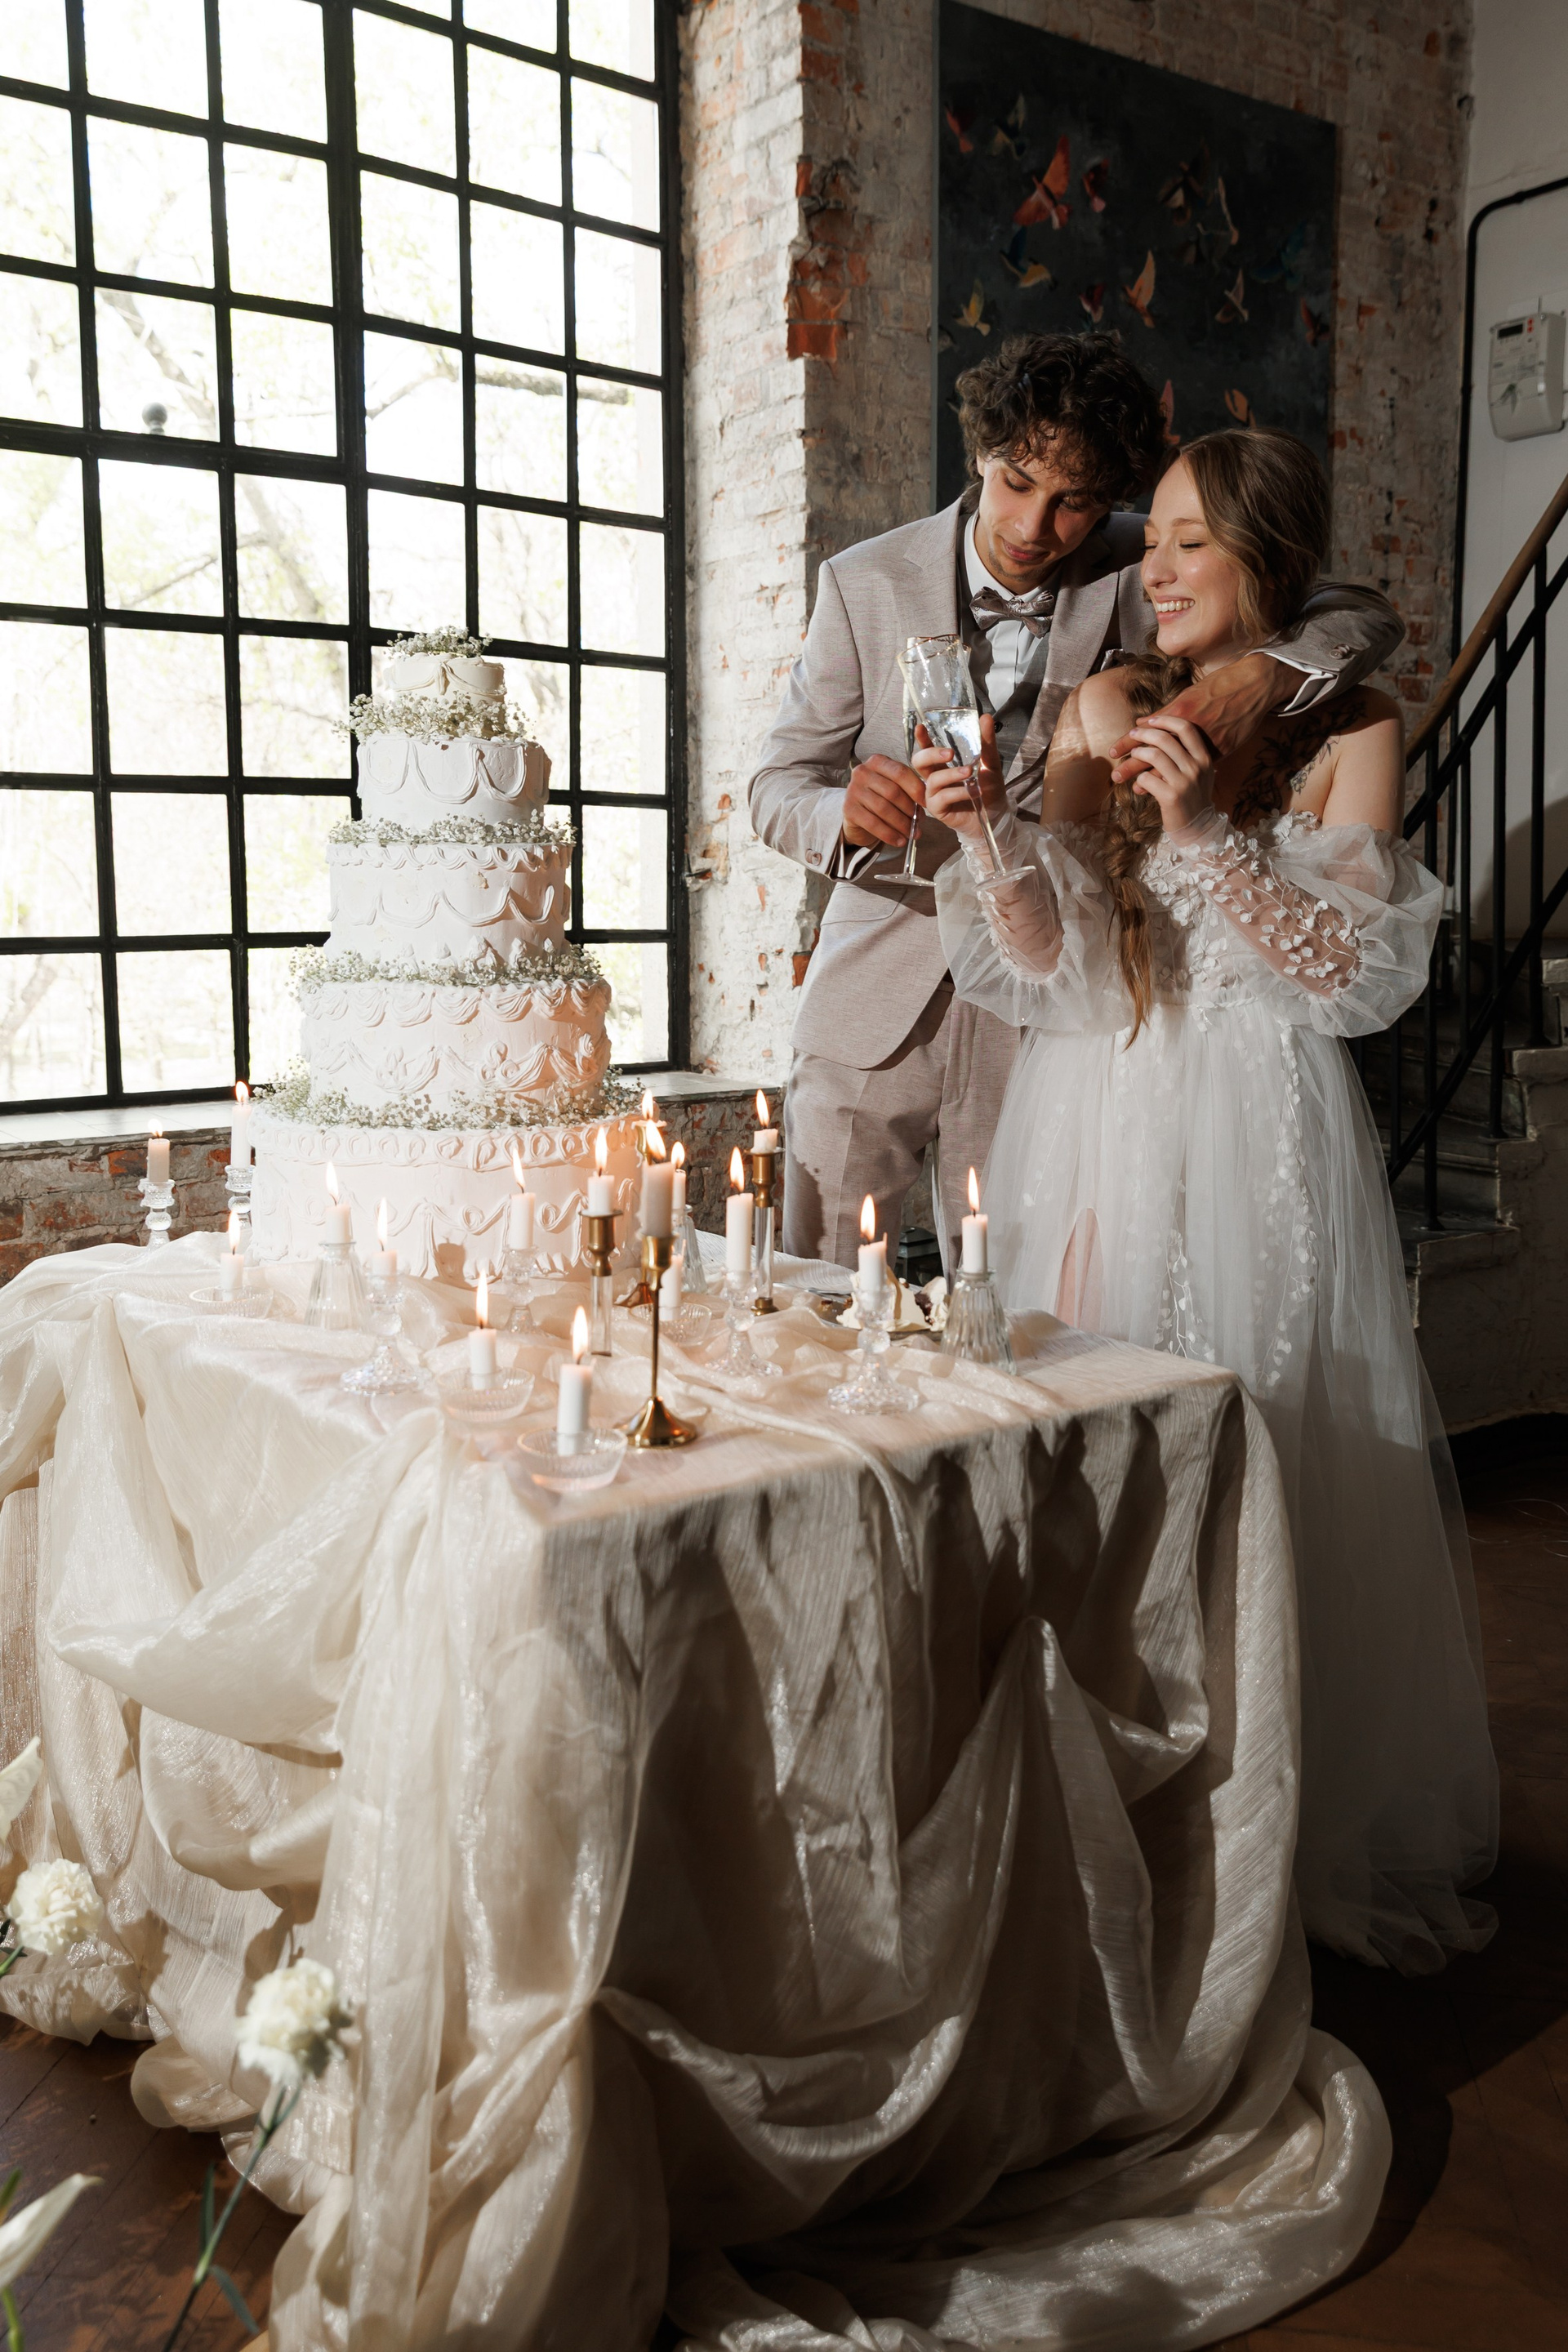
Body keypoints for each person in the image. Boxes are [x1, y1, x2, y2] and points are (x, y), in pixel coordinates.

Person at [921, 425, 1499, 1974]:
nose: (1155, 569)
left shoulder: (1351, 727)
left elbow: (1349, 978)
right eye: (1153, 540)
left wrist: (1197, 837)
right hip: (1101, 1112)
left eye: (1190, 541)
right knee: (1100, 1466)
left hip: (1255, 1126)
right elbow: (1053, 962)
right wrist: (986, 836)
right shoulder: (1107, 704)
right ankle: (1104, 1816)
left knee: (1267, 1436)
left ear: (1268, 557)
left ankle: (1258, 1835)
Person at [750, 333, 1407, 1272]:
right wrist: (843, 818)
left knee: (1008, 1293)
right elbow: (776, 786)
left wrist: (1257, 678)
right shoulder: (863, 582)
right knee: (818, 1281)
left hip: (1046, 999)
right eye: (1017, 482)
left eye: (1074, 503)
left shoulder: (1144, 561)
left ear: (1106, 500)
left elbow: (1360, 614)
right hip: (876, 983)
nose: (1034, 526)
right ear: (982, 454)